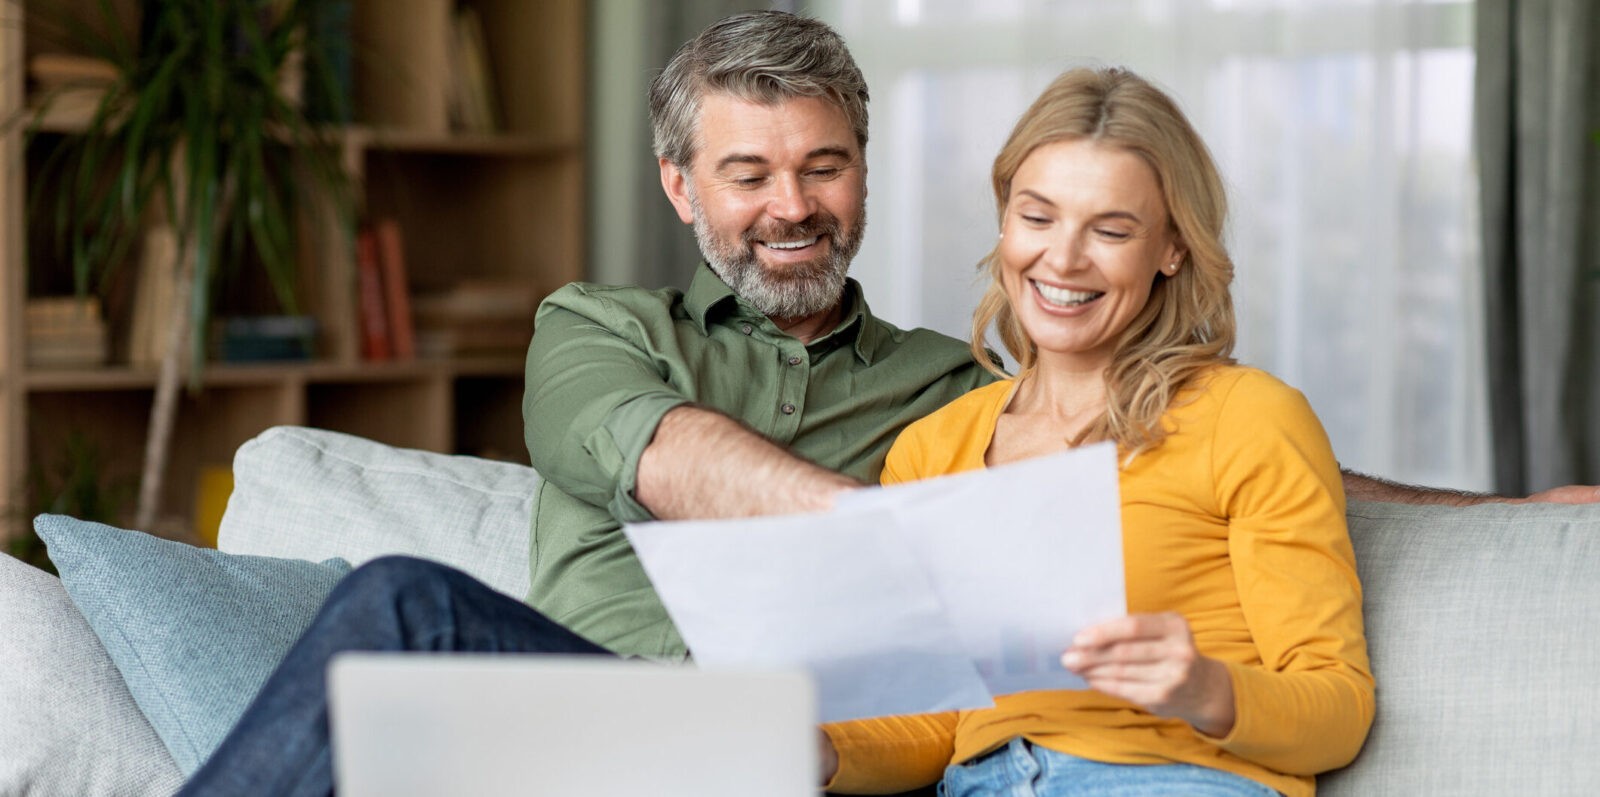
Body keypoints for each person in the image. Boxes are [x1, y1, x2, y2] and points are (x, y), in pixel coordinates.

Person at [179, 11, 1589, 796]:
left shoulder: (948, 401)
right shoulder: (601, 331)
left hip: (785, 759)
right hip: (614, 727)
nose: (791, 206)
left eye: (824, 167)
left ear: (864, 173)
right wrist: (909, 542)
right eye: (748, 175)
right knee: (397, 609)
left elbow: (1190, 464)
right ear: (683, 189)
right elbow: (672, 462)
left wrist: (1509, 513)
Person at [819, 67, 1371, 797]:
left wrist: (1205, 688)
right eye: (1038, 217)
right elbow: (927, 722)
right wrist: (812, 747)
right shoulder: (933, 447)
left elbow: (1339, 707)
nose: (1064, 258)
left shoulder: (1247, 415)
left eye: (1111, 229)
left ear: (1172, 248)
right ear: (1005, 221)